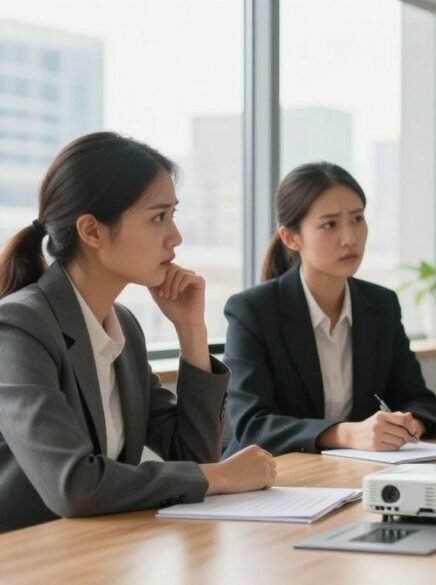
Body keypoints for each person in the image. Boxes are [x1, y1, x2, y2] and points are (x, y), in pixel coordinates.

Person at [0, 132, 276, 533]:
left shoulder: (123, 326)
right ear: (92, 231)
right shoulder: (20, 327)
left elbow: (193, 455)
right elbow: (73, 485)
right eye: (157, 217)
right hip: (25, 554)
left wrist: (191, 330)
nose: (176, 237)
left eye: (173, 214)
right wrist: (219, 477)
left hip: (96, 549)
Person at [222, 162, 436, 456]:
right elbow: (252, 425)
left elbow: (419, 400)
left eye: (358, 218)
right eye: (330, 224)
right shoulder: (252, 311)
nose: (350, 238)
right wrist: (346, 433)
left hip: (351, 472)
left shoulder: (381, 305)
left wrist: (409, 424)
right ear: (291, 238)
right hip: (271, 474)